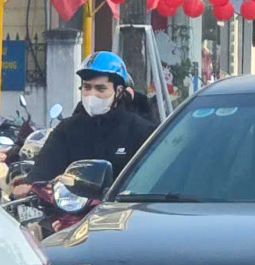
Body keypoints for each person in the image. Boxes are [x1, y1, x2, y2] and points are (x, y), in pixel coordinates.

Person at [20, 51, 156, 194]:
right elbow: (43, 171)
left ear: (119, 91)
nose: (92, 94)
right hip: (69, 211)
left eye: (100, 89)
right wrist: (30, 186)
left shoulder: (140, 130)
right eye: (87, 87)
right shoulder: (67, 129)